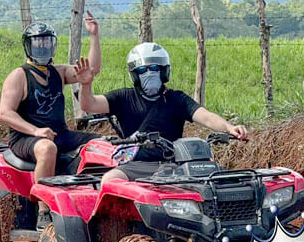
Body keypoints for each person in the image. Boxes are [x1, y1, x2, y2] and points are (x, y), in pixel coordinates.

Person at [81, 42, 251, 182]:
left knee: (218, 182)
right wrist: (86, 85)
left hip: (177, 163)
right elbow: (89, 105)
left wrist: (229, 128)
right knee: (110, 180)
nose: (149, 73)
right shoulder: (123, 97)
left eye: (154, 68)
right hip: (138, 164)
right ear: (134, 75)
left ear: (163, 71)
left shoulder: (177, 99)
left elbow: (206, 117)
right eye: (142, 70)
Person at [0, 16, 101, 180]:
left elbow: (92, 69)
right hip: (26, 138)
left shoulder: (59, 72)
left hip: (60, 134)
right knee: (47, 148)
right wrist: (36, 131)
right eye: (38, 43)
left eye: (47, 42)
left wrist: (94, 36)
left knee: (103, 144)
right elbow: (5, 113)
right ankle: (44, 204)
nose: (43, 47)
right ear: (28, 46)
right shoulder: (19, 75)